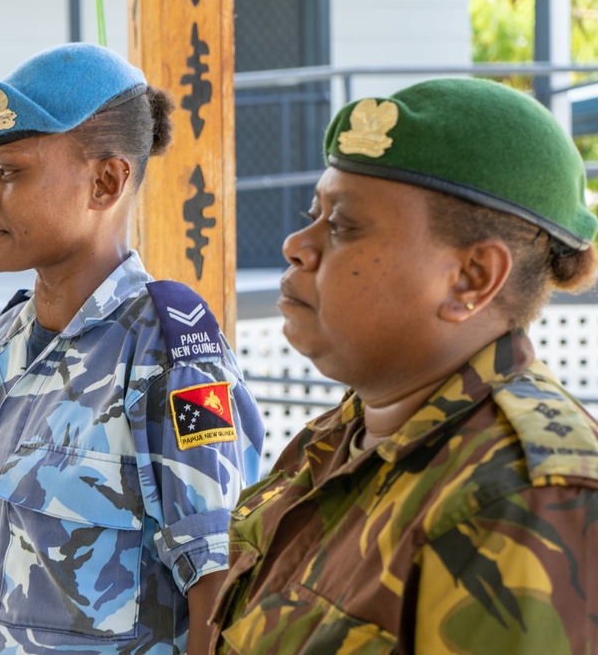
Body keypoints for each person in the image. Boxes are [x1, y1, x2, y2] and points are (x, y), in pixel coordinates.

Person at [209, 77, 598, 654]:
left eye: (341, 226)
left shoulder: (521, 495)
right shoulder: (349, 428)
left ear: (470, 279)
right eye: (313, 213)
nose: (297, 244)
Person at [0, 42, 266, 654]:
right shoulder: (4, 341)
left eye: (8, 171)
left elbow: (219, 589)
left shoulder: (169, 357)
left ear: (105, 181)